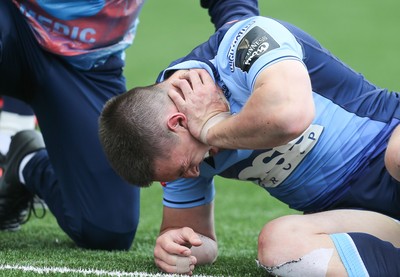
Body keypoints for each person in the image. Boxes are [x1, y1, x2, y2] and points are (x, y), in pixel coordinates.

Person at [98, 4, 400, 277]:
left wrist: (213, 128)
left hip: (389, 141)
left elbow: (291, 115)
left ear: (177, 123)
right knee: (279, 246)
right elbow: (198, 239)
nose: (191, 175)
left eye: (181, 170)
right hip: (355, 213)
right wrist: (177, 245)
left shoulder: (242, 40)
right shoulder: (175, 152)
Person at [0, 0, 260, 250]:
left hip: (87, 63)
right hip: (13, 23)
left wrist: (241, 45)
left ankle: (26, 160)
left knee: (106, 227)